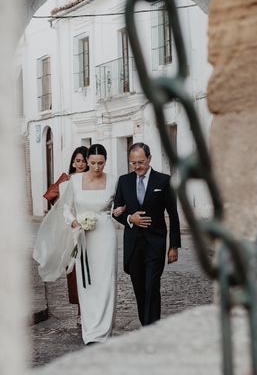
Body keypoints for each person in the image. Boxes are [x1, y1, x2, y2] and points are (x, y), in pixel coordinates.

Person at [113, 142, 180, 326]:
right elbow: (116, 212)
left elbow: (173, 215)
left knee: (152, 287)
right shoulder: (124, 181)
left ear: (149, 159)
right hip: (133, 245)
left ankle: (153, 328)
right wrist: (129, 219)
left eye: (141, 162)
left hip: (155, 244)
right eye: (133, 163)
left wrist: (174, 246)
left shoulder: (164, 181)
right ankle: (146, 325)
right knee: (139, 289)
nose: (137, 167)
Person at [62, 144, 123, 344]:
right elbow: (66, 208)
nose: (97, 167)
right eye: (93, 163)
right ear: (87, 161)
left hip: (105, 234)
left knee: (106, 280)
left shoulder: (114, 181)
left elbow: (120, 205)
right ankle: (90, 330)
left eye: (101, 163)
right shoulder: (75, 180)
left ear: (105, 161)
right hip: (83, 235)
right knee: (86, 281)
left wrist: (120, 212)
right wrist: (73, 221)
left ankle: (104, 330)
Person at [34, 147, 88, 326]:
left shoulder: (91, 179)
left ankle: (89, 308)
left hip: (88, 227)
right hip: (69, 232)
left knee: (89, 270)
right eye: (78, 160)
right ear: (73, 162)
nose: (81, 164)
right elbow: (51, 195)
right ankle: (80, 310)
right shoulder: (67, 179)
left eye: (84, 160)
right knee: (73, 271)